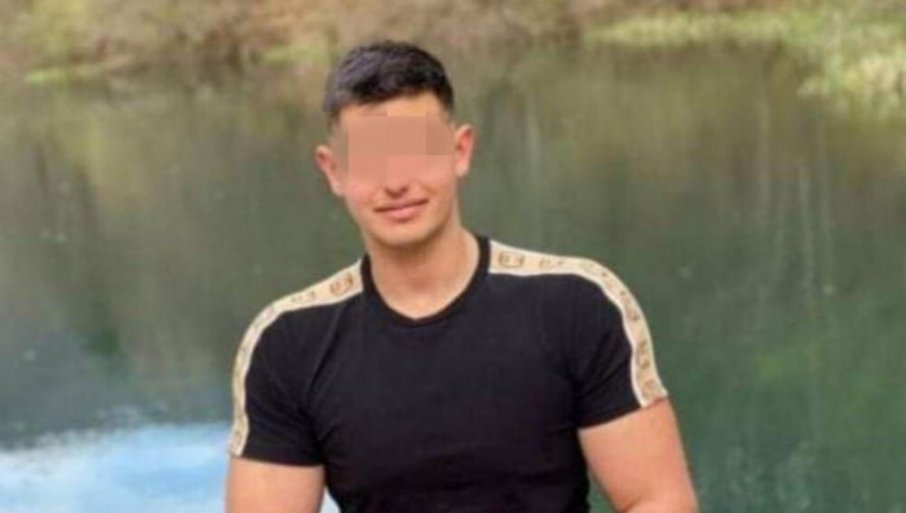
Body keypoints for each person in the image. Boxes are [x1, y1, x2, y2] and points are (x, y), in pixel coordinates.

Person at [224, 40, 698, 513]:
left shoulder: (578, 304)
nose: (396, 183)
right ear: (334, 171)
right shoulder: (287, 344)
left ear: (460, 150)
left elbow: (657, 499)